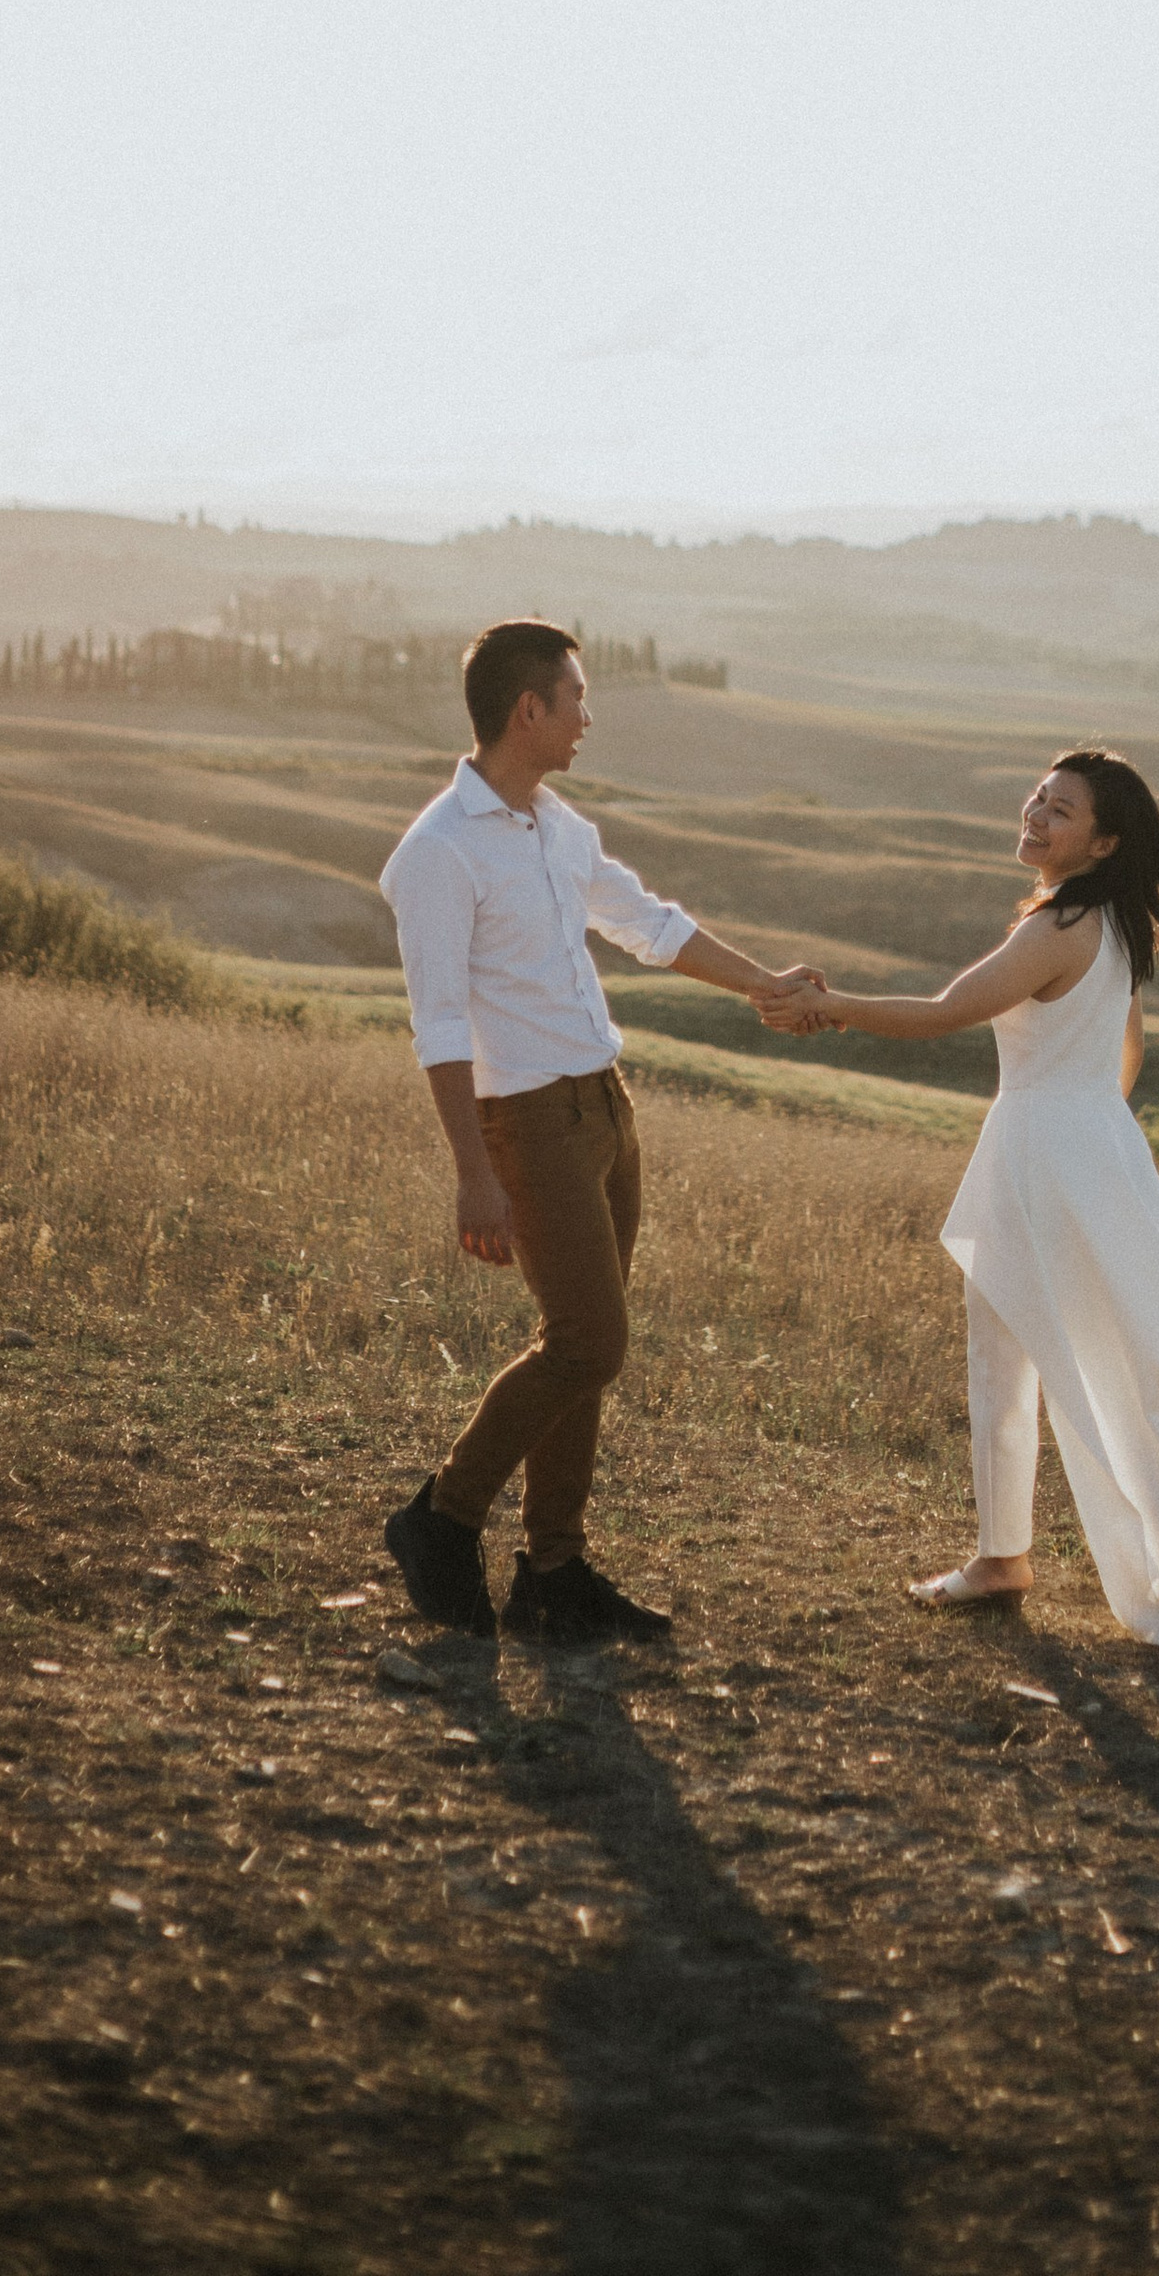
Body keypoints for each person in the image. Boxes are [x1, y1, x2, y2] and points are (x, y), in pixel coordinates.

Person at [758, 746, 1159, 1645]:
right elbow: (1126, 1046)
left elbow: (946, 1010)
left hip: (1040, 1148)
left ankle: (1007, 1560)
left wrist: (828, 1007)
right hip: (1096, 1147)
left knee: (1008, 1356)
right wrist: (1088, 1117)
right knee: (1126, 1350)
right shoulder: (1109, 927)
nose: (1035, 814)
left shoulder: (1057, 925)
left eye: (1059, 810)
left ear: (1102, 843)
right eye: (1037, 797)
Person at [380, 618, 825, 1648]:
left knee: (579, 1352)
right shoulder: (436, 855)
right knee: (589, 1342)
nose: (588, 715)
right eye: (576, 697)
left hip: (603, 1109)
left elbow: (647, 922)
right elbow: (438, 1026)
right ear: (526, 710)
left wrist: (763, 983)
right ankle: (440, 1517)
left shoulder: (553, 826)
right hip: (524, 1124)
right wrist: (471, 1175)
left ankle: (554, 1571)